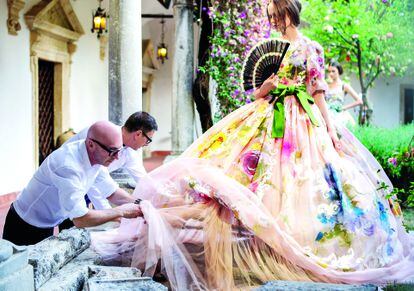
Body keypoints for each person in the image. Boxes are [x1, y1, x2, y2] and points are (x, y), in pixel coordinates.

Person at [91, 0, 414, 289]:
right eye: (270, 16)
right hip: (266, 115)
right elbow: (256, 91)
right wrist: (266, 88)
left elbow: (317, 93)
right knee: (249, 174)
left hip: (301, 120)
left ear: (289, 12)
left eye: (276, 14)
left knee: (305, 181)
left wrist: (329, 129)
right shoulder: (267, 46)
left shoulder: (311, 49)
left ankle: (296, 240)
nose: (272, 21)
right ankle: (252, 238)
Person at [2, 121, 142, 246]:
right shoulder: (67, 165)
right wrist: (121, 211)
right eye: (112, 151)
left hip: (49, 221)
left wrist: (141, 205)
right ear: (91, 144)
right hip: (25, 224)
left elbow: (111, 192)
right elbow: (80, 218)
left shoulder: (99, 156)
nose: (117, 157)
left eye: (119, 150)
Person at [66, 111, 158, 210]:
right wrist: (108, 213)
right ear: (138, 134)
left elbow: (142, 179)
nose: (146, 145)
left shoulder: (129, 151)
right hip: (67, 181)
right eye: (148, 140)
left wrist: (161, 195)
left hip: (87, 184)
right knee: (67, 215)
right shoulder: (99, 135)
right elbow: (98, 181)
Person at [325, 61, 363, 127]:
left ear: (339, 71)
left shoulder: (344, 86)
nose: (331, 74)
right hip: (327, 113)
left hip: (338, 115)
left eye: (333, 71)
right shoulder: (327, 86)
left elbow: (359, 101)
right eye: (329, 71)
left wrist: (344, 108)